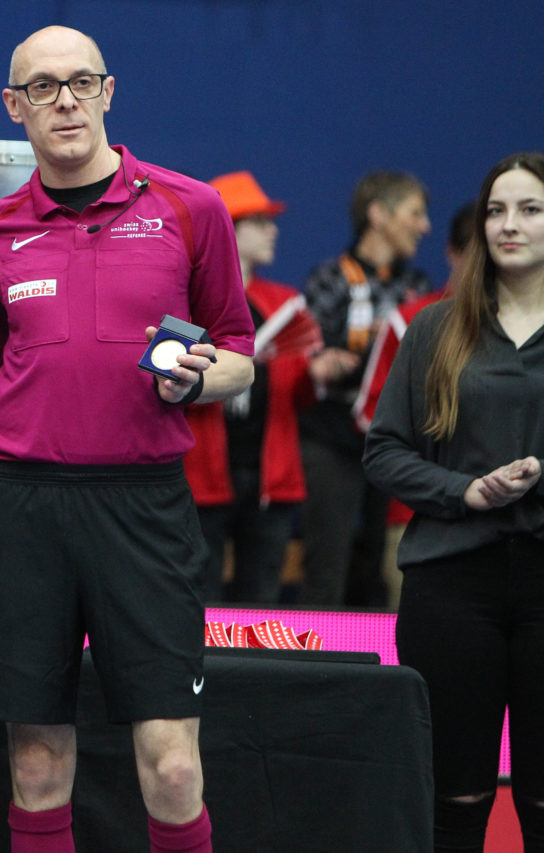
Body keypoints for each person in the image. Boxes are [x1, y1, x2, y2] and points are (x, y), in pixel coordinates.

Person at [0, 27, 254, 853]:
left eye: (81, 82)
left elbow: (241, 355)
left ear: (109, 91)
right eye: (42, 87)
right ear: (15, 107)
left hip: (144, 509)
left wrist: (201, 376)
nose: (65, 100)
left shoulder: (192, 207)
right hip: (20, 510)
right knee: (37, 763)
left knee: (172, 766)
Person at [363, 152, 544, 852]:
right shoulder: (434, 330)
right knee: (454, 796)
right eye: (497, 209)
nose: (509, 224)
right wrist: (464, 490)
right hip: (451, 583)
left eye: (530, 209)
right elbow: (383, 452)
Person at [183, 172, 325, 603]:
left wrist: (317, 376)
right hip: (201, 474)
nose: (273, 229)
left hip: (269, 476)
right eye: (259, 221)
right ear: (228, 226)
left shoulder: (284, 303)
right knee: (196, 593)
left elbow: (301, 399)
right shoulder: (185, 296)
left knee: (261, 599)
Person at [300, 170, 432, 606]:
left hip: (393, 440)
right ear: (378, 214)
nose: (424, 225)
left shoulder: (417, 290)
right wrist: (324, 361)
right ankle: (315, 669)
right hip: (332, 439)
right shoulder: (330, 280)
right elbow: (300, 358)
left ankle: (382, 666)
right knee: (327, 561)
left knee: (384, 558)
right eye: (415, 213)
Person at [353, 202, 476, 610]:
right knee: (413, 646)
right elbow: (370, 414)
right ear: (452, 254)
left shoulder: (528, 330)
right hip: (413, 518)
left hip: (508, 526)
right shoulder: (411, 321)